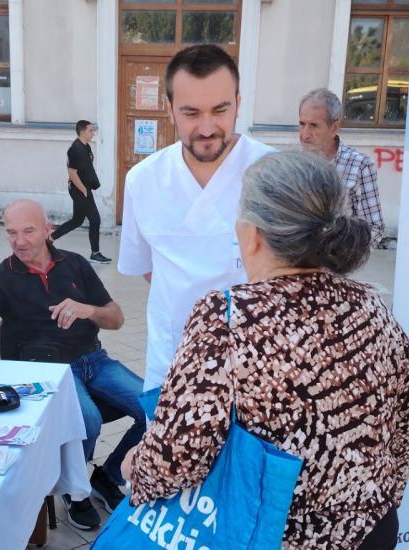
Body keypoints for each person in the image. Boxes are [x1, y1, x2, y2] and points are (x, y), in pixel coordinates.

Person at [122, 151, 409, 549]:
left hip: (273, 535)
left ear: (253, 234)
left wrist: (136, 469)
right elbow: (401, 434)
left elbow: (176, 457)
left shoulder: (227, 317)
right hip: (373, 529)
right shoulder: (373, 306)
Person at [0, 199, 145, 531]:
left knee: (158, 409)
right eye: (12, 233)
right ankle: (73, 490)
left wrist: (89, 310)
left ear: (47, 230)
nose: (20, 241)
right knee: (87, 418)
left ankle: (107, 476)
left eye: (28, 231)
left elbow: (116, 318)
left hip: (93, 359)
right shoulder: (1, 277)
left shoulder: (76, 265)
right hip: (46, 370)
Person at [117, 44, 274, 390]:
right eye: (191, 113)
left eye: (220, 110)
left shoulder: (275, 173)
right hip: (173, 364)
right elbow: (147, 268)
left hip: (259, 367)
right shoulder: (143, 180)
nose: (206, 128)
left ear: (238, 102)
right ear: (169, 109)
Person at [298, 87, 385, 246]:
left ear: (335, 127)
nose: (304, 135)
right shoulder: (291, 166)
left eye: (314, 126)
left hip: (336, 266)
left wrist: (340, 257)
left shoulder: (360, 166)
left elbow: (374, 228)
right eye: (302, 124)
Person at [51, 120, 111, 264]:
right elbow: (72, 172)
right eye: (90, 130)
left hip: (84, 188)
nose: (93, 132)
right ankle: (95, 254)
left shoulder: (86, 147)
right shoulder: (74, 149)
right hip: (79, 189)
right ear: (82, 131)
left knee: (77, 221)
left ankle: (50, 239)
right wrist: (84, 190)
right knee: (95, 219)